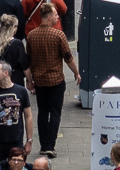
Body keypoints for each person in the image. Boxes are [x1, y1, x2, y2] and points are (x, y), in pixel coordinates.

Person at [23, 9, 79, 157]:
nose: (57, 17)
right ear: (49, 17)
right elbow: (68, 57)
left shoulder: (31, 36)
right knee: (55, 113)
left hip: (40, 81)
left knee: (42, 112)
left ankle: (43, 145)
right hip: (56, 81)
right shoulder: (58, 35)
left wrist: (29, 80)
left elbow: (28, 59)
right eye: (55, 14)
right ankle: (50, 145)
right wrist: (76, 72)